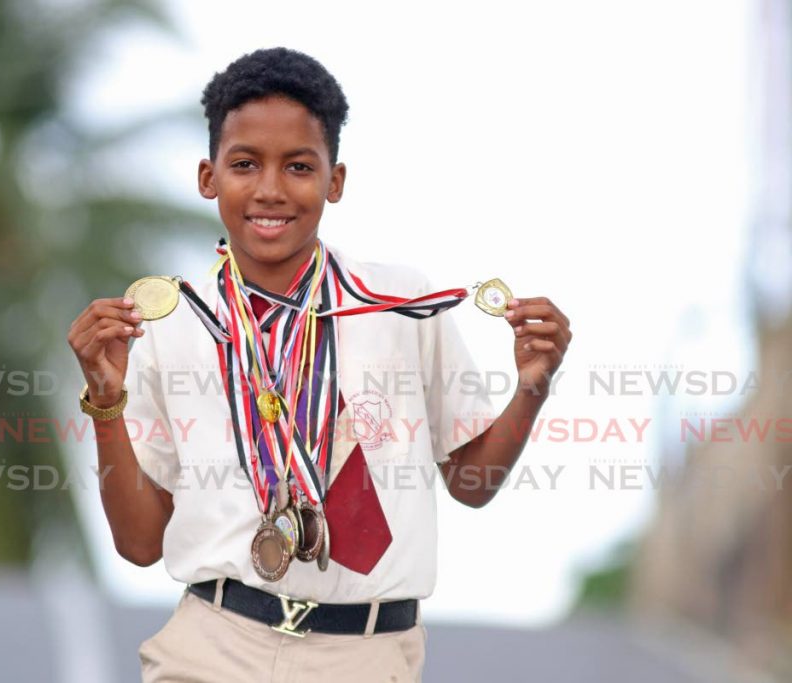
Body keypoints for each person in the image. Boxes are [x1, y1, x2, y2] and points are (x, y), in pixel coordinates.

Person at [66, 46, 572, 683]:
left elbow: (472, 485)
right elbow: (139, 545)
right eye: (244, 164)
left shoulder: (402, 307)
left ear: (335, 181)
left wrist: (531, 388)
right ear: (208, 176)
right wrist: (105, 399)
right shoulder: (173, 325)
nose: (271, 189)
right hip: (213, 646)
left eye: (299, 166)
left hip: (366, 653)